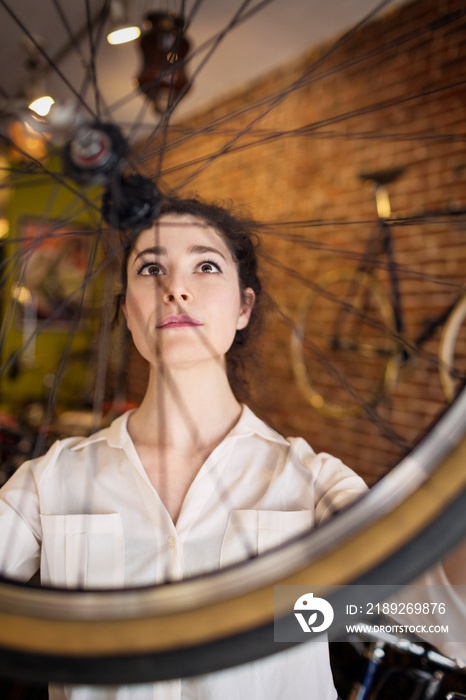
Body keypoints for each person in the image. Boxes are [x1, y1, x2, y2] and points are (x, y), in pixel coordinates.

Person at [0, 196, 465, 700]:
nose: (175, 288)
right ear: (126, 314)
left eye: (205, 266)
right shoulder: (50, 482)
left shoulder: (313, 483)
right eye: (151, 267)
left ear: (244, 307)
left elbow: (449, 619)